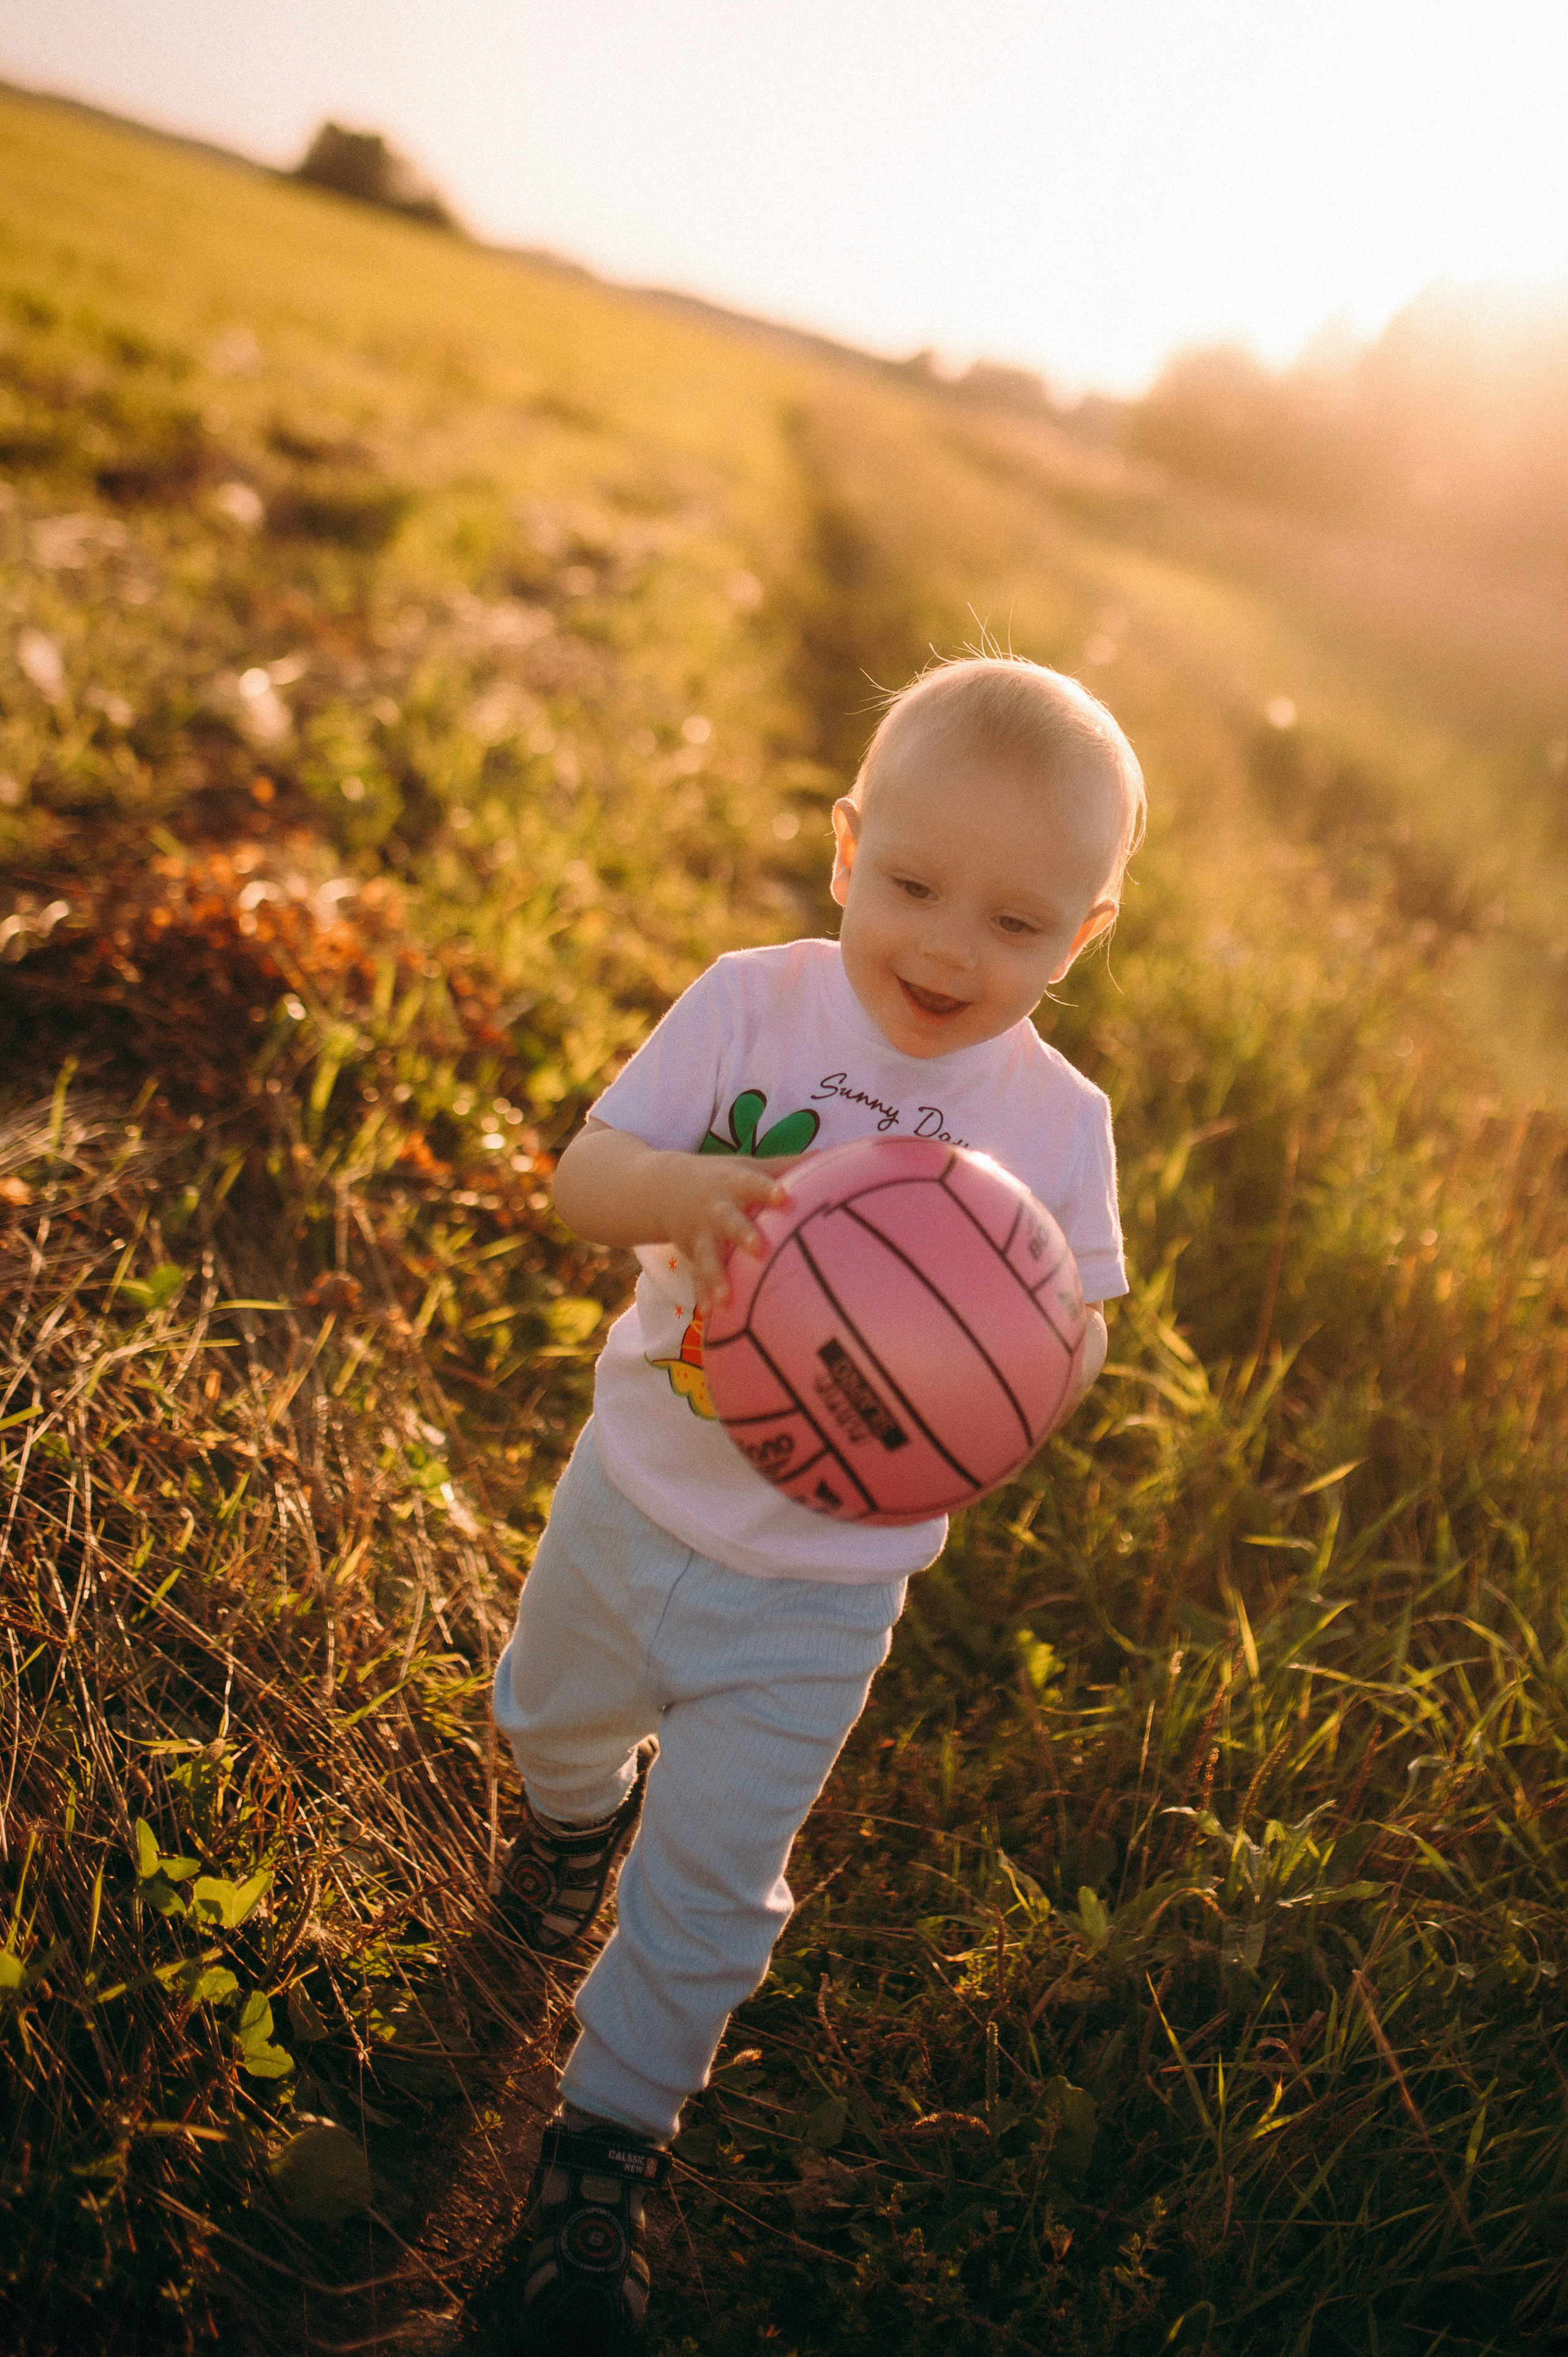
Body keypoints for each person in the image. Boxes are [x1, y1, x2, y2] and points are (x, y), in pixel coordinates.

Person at [491, 654, 1145, 2353]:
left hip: (823, 1594)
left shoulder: (1055, 1129)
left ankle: (607, 2146)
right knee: (548, 1727)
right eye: (914, 887)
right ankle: (569, 1828)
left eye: (1014, 923)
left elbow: (1064, 1349)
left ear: (1084, 936)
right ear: (848, 848)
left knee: (717, 1883)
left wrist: (998, 1359)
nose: (945, 950)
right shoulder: (754, 1005)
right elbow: (582, 1180)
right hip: (636, 1499)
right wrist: (694, 1189)